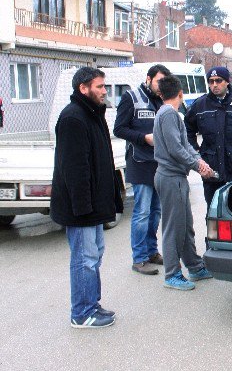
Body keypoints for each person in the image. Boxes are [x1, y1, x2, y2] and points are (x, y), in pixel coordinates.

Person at [50, 67, 124, 328]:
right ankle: (82, 313)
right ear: (84, 88)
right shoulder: (73, 118)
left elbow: (103, 162)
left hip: (93, 205)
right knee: (85, 259)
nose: (105, 91)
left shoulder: (92, 114)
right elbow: (75, 169)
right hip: (81, 208)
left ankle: (91, 303)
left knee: (94, 256)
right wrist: (83, 209)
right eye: (100, 86)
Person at [153, 75, 215, 290]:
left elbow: (185, 145)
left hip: (175, 177)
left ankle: (195, 266)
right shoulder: (169, 114)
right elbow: (176, 149)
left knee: (185, 225)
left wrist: (199, 161)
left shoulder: (170, 114)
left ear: (161, 94)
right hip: (170, 177)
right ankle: (172, 274)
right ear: (180, 93)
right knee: (173, 228)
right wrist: (198, 166)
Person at [113, 64, 171, 275]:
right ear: (148, 78)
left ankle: (151, 252)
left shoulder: (163, 100)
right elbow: (119, 128)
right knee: (142, 212)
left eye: (164, 83)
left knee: (156, 212)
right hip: (139, 163)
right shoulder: (132, 97)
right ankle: (139, 259)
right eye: (158, 82)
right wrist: (143, 138)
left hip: (159, 164)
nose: (161, 87)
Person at [185, 66, 232, 209]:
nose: (214, 85)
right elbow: (187, 131)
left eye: (218, 80)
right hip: (211, 172)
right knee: (214, 213)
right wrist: (196, 155)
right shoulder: (200, 105)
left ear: (228, 81)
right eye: (211, 81)